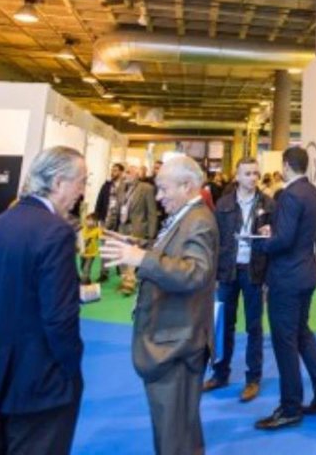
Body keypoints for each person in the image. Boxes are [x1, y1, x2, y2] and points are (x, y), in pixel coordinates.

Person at [0, 146, 87, 454]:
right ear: (59, 183)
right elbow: (59, 317)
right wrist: (71, 365)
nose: (82, 191)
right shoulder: (56, 232)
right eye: (81, 182)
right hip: (38, 377)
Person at [101, 155, 218, 455]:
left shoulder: (199, 220)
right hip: (173, 338)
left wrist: (142, 258)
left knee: (174, 437)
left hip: (178, 343)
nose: (158, 196)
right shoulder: (186, 217)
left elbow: (196, 273)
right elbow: (172, 253)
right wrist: (136, 246)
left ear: (187, 186)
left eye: (164, 189)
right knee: (179, 431)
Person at [252, 146, 316, 430]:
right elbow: (306, 232)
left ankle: (290, 408)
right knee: (302, 335)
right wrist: (275, 233)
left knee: (285, 342)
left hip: (286, 279)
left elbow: (284, 239)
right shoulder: (313, 193)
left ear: (286, 165)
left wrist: (261, 243)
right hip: (306, 274)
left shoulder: (289, 195)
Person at [203, 158, 275, 402]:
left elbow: (275, 241)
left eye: (256, 173)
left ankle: (253, 379)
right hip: (227, 271)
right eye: (247, 173)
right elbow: (215, 241)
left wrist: (270, 234)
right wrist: (214, 274)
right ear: (237, 176)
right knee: (224, 325)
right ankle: (220, 373)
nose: (253, 178)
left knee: (254, 327)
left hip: (254, 271)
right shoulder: (223, 204)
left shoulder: (268, 204)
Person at [107, 165, 159, 296]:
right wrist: (110, 225)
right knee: (122, 255)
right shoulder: (120, 188)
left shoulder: (146, 188)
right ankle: (126, 279)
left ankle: (130, 283)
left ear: (136, 175)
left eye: (128, 172)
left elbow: (152, 212)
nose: (125, 175)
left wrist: (151, 234)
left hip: (138, 228)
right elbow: (116, 209)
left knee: (133, 256)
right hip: (122, 227)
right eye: (125, 173)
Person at [79, 213, 103, 285]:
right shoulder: (83, 229)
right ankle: (87, 279)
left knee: (87, 268)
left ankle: (84, 281)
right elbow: (80, 239)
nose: (89, 222)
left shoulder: (98, 230)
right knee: (82, 267)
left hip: (91, 253)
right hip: (83, 253)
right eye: (87, 220)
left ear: (95, 221)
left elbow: (101, 237)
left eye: (91, 220)